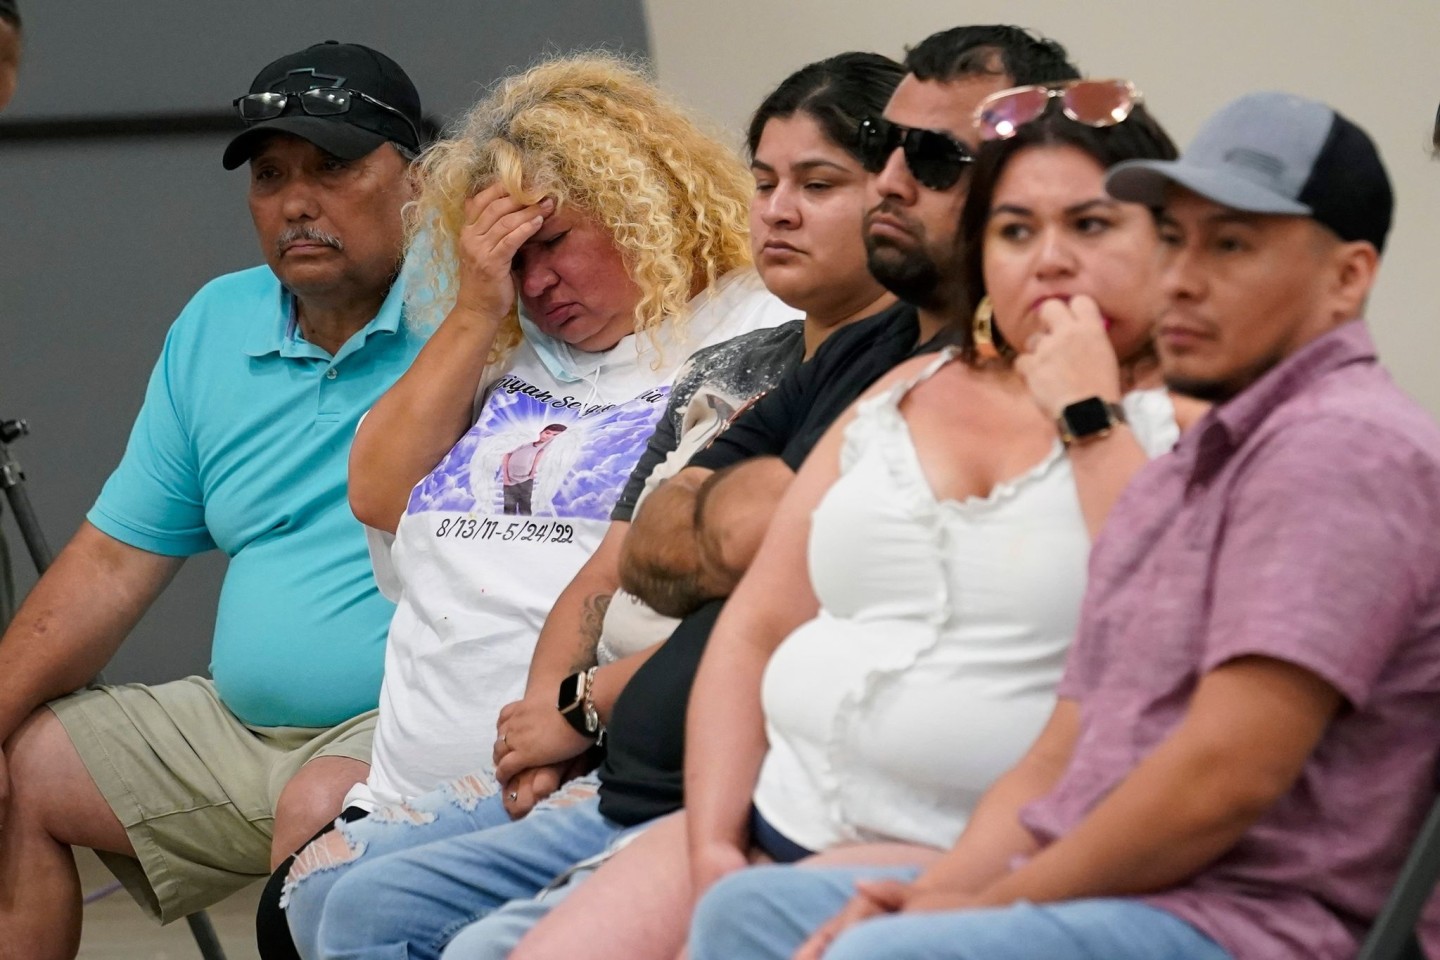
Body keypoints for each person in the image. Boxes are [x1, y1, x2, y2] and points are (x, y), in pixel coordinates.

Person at [690, 91, 1440, 960]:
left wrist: (990, 902)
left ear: (1346, 279)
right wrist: (943, 892)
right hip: (1110, 881)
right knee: (745, 914)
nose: (1185, 277)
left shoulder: (1340, 449)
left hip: (1247, 919)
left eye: (1230, 245)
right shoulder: (1218, 449)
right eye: (1173, 238)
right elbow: (1063, 751)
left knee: (874, 956)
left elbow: (1223, 781)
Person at [281, 51, 907, 960]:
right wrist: (473, 305)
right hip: (477, 766)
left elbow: (745, 584)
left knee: (381, 914)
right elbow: (378, 491)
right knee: (313, 899)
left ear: (641, 206)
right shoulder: (510, 351)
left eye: (553, 243)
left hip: (617, 758)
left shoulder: (749, 336)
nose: (535, 283)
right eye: (509, 257)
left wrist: (575, 714)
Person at [0, 39, 427, 956]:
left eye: (335, 166)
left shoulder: (480, 315)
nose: (298, 201)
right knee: (17, 769)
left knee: (322, 815)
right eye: (271, 175)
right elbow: (114, 563)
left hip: (408, 723)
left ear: (419, 184)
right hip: (237, 728)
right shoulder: (215, 320)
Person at [618, 24, 1080, 621]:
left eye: (931, 159)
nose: (891, 181)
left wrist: (741, 521)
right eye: (762, 184)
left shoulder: (1039, 363)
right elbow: (643, 548)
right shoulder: (854, 349)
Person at [500, 424, 567, 515]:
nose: (549, 437)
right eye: (547, 433)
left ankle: (526, 525)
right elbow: (507, 454)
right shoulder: (525, 443)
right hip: (510, 478)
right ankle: (506, 525)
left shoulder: (544, 447)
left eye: (555, 435)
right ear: (540, 431)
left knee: (525, 506)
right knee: (509, 507)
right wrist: (506, 477)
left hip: (526, 480)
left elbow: (538, 459)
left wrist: (531, 475)